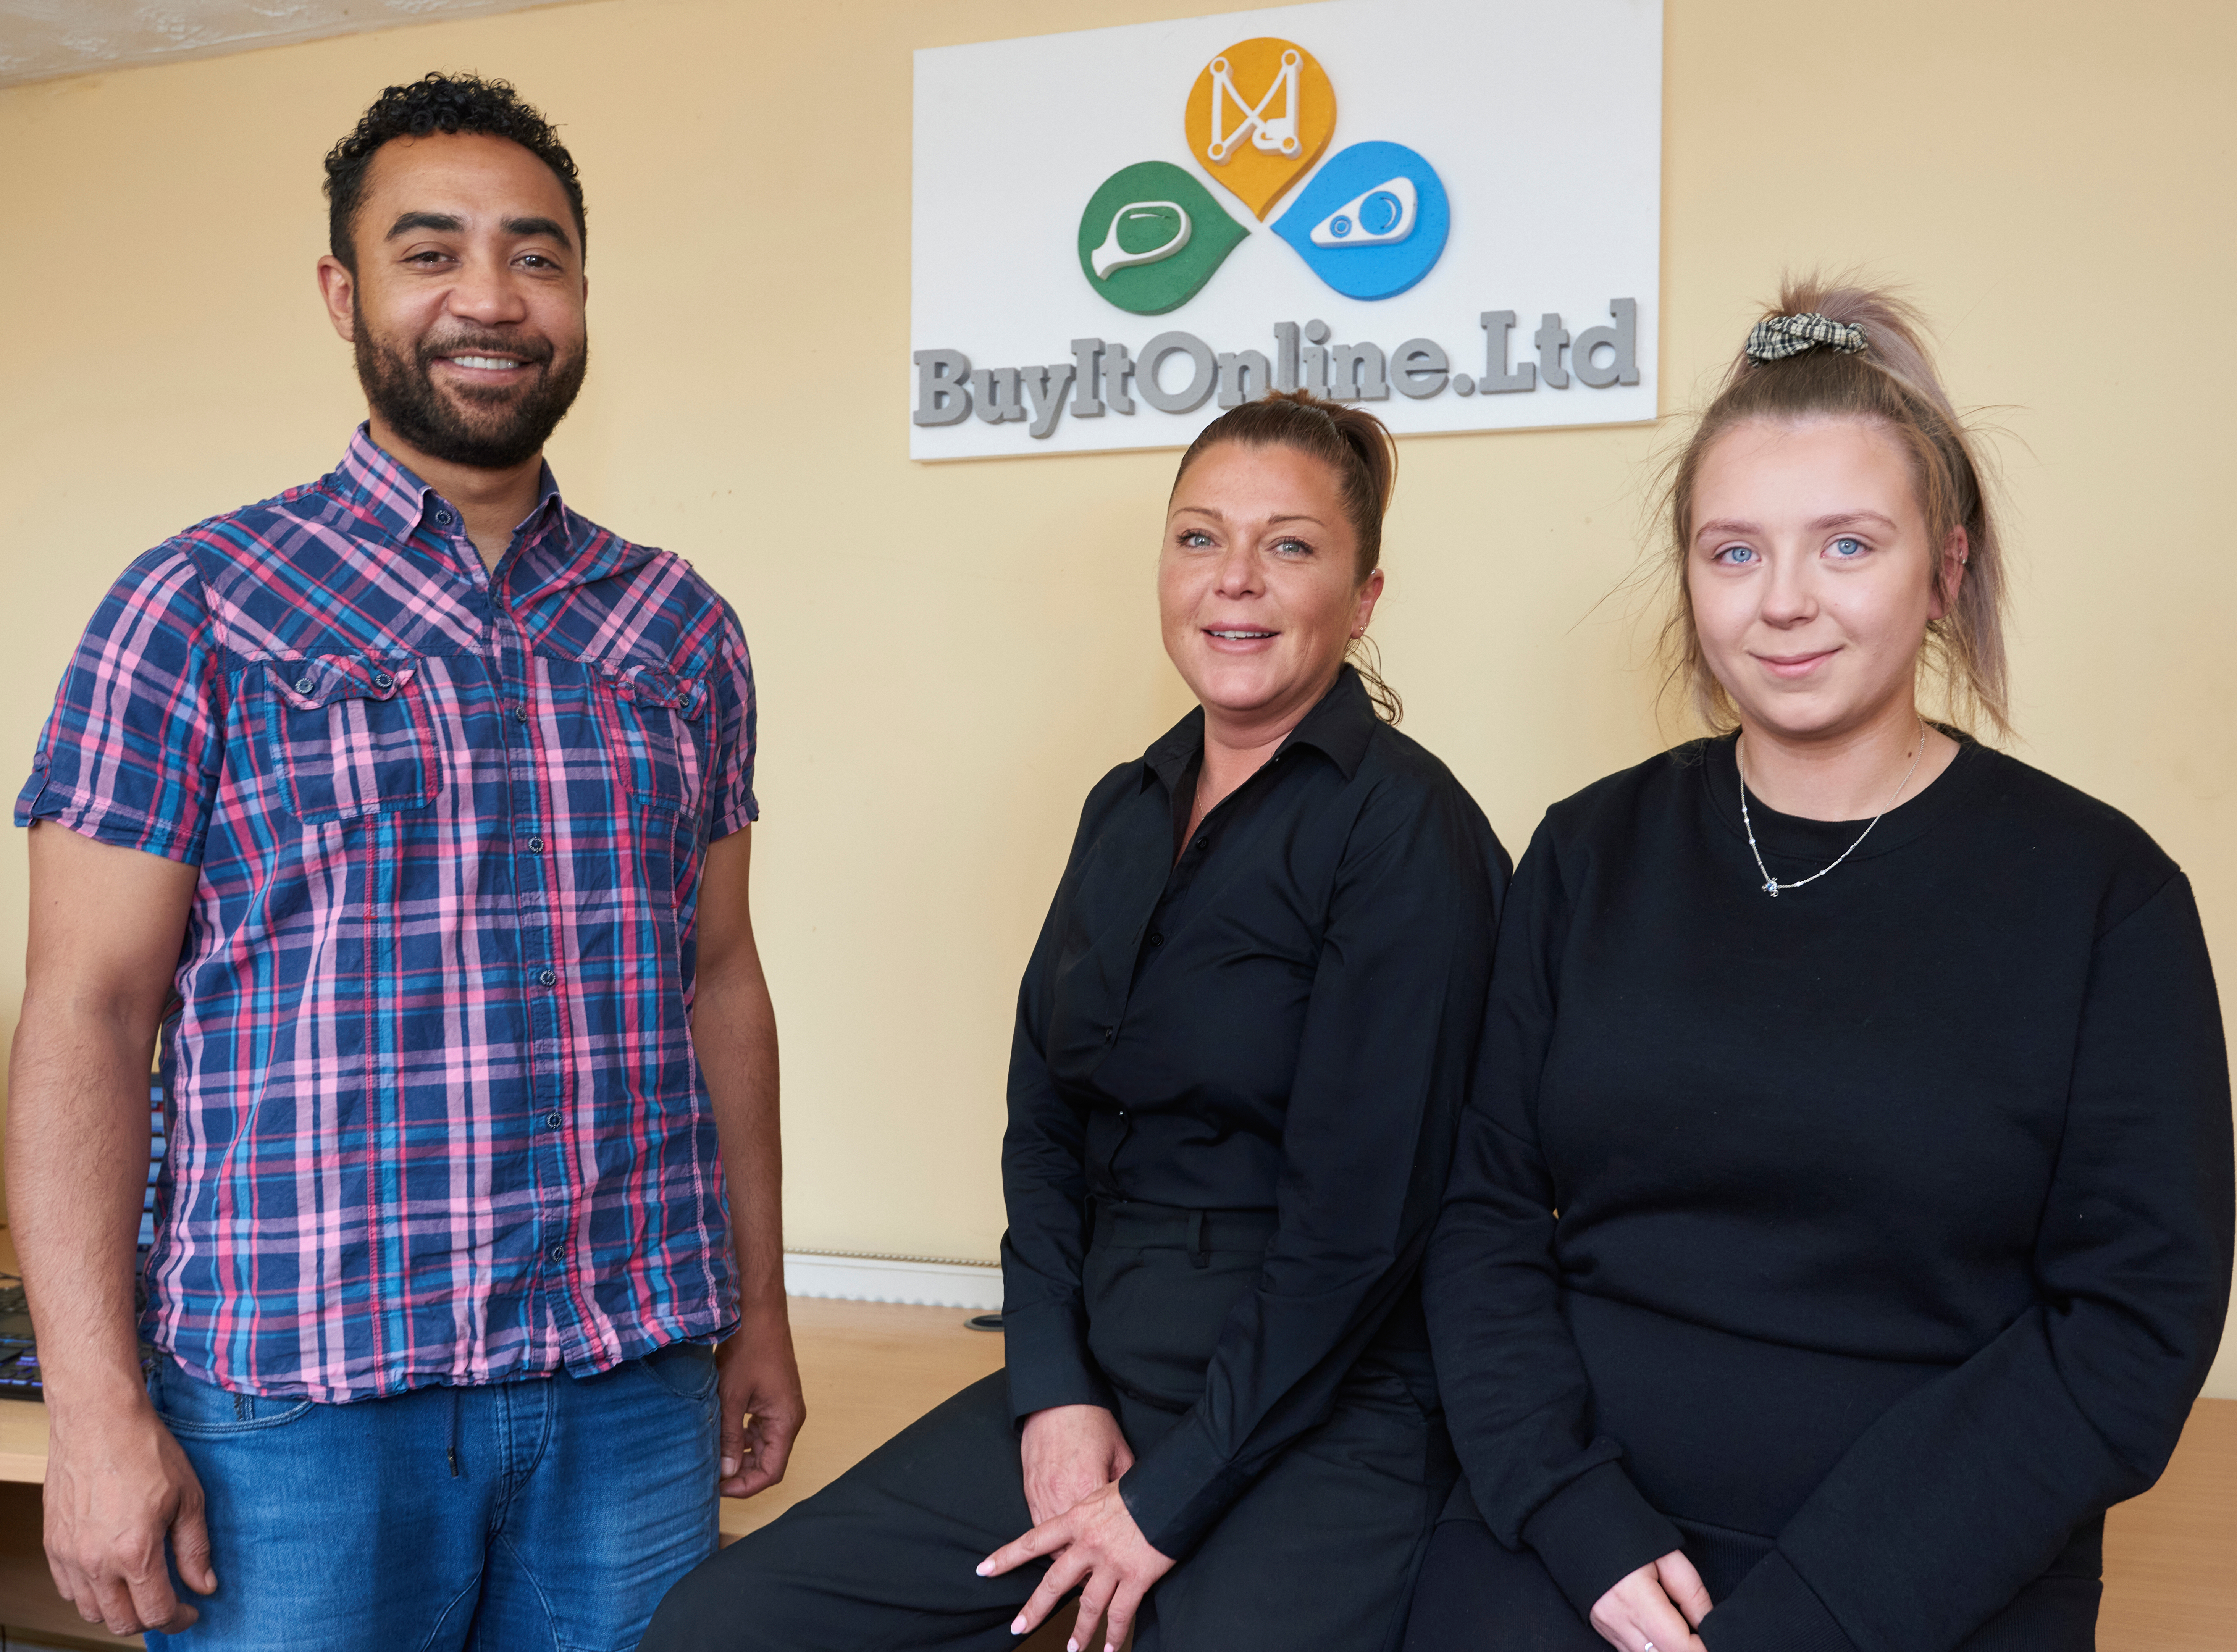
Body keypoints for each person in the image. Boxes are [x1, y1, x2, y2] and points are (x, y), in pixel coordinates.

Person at [5, 73, 803, 1650]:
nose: (490, 298)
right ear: (343, 291)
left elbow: (720, 981)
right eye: (431, 251)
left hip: (626, 1384)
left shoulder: (678, 627)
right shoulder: (197, 605)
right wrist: (97, 1412)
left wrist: (758, 1310)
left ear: (580, 293)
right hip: (291, 1412)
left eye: (539, 256)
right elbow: (83, 1015)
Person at [1405, 283, 2234, 1652]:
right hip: (1568, 1545)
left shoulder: (2105, 896)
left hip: (1927, 1575)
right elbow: (1481, 1215)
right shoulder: (1586, 852)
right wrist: (1572, 1515)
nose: (1781, 604)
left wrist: (1823, 1611)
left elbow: (2130, 1327)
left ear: (1946, 569)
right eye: (1731, 554)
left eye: (1846, 545)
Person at [647, 392, 1510, 1652]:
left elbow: (1358, 1238)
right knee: (722, 1628)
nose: (1237, 583)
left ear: (1364, 595)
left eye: (1292, 546)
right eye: (1200, 538)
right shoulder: (1125, 806)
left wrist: (1161, 1502)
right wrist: (1052, 1393)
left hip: (1328, 1398)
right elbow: (1042, 1127)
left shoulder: (1407, 834)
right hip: (1106, 1365)